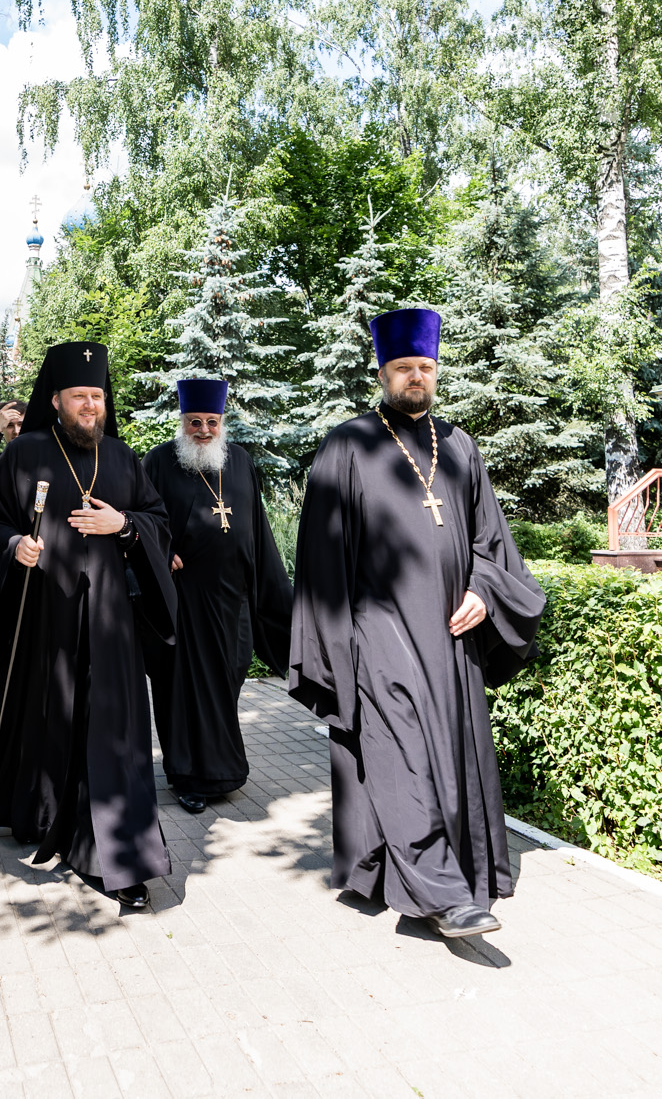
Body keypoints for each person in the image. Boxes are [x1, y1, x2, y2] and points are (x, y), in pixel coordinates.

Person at [288, 307, 545, 940]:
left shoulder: (459, 446)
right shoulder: (349, 443)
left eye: (424, 367)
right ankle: (441, 895)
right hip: (377, 631)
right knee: (400, 754)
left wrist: (485, 590)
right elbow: (319, 554)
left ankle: (448, 872)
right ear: (381, 371)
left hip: (451, 634)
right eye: (403, 368)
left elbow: (492, 541)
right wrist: (336, 642)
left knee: (447, 754)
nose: (415, 378)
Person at [0, 341, 176, 910]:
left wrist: (123, 523)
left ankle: (116, 855)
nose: (90, 406)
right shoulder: (25, 452)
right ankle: (42, 814)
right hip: (42, 617)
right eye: (80, 396)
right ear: (55, 399)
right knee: (49, 716)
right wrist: (13, 544)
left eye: (98, 396)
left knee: (111, 732)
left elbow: (158, 522)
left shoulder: (122, 457)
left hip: (109, 617)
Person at [139, 378, 292, 813]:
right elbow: (142, 517)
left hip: (234, 601)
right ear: (182, 421)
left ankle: (224, 770)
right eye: (195, 421)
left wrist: (273, 591)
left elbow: (257, 528)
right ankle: (187, 776)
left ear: (222, 423)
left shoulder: (239, 461)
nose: (203, 429)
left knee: (228, 681)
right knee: (183, 691)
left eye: (211, 421)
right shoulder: (160, 462)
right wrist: (160, 551)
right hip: (184, 601)